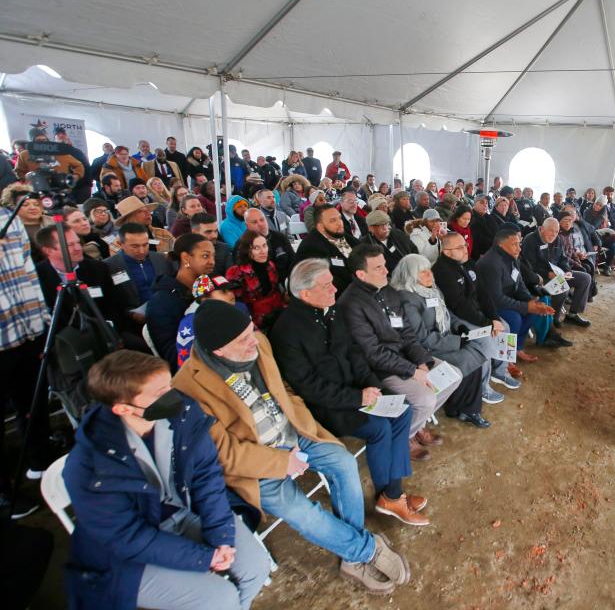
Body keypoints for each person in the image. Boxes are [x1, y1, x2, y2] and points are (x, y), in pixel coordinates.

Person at [172, 300, 411, 595]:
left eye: (251, 331)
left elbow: (282, 388)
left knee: (344, 463)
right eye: (243, 340)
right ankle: (364, 550)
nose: (253, 342)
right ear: (218, 351)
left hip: (294, 431)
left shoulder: (258, 341)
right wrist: (280, 463)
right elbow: (224, 453)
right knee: (303, 513)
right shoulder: (188, 386)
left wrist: (297, 419)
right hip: (256, 466)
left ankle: (351, 553)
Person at [62, 350, 271, 609]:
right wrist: (205, 557)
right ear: (124, 409)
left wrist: (222, 537)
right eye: (160, 393)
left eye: (169, 385)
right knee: (219, 597)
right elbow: (128, 538)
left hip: (185, 514)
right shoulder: (87, 469)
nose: (173, 396)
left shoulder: (182, 412)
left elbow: (206, 476)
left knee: (256, 567)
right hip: (127, 557)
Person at [270, 259, 429, 525]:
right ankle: (391, 495)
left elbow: (355, 355)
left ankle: (391, 494)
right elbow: (309, 387)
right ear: (306, 294)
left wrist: (374, 387)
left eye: (332, 282)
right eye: (327, 285)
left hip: (358, 392)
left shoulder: (332, 311)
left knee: (403, 410)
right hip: (327, 407)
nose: (335, 289)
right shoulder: (286, 330)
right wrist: (358, 397)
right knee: (380, 428)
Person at [338, 244, 462, 461]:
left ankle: (417, 425)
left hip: (406, 359)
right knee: (425, 399)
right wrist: (414, 371)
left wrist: (422, 361)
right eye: (378, 268)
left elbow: (406, 332)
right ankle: (405, 437)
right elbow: (373, 353)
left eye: (385, 265)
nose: (387, 270)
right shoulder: (351, 304)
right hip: (380, 369)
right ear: (361, 274)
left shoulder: (387, 291)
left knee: (453, 376)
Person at [392, 254, 493, 423]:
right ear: (410, 276)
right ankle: (462, 407)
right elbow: (420, 338)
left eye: (429, 271)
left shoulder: (431, 290)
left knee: (475, 350)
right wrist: (455, 342)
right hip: (424, 349)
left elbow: (446, 314)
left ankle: (464, 405)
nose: (429, 275)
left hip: (442, 337)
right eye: (422, 273)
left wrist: (458, 326)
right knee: (468, 355)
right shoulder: (407, 300)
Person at [0, 202, 50, 516]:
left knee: (32, 403)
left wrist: (42, 320)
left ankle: (39, 460)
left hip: (27, 329)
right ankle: (4, 493)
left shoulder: (8, 217)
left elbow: (28, 272)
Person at [434, 232, 521, 392]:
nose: (465, 249)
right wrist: (487, 323)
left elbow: (483, 293)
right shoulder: (442, 271)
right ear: (447, 252)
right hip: (457, 317)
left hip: (477, 312)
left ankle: (500, 371)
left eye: (465, 245)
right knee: (486, 337)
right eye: (459, 247)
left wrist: (494, 318)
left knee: (505, 327)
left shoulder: (468, 262)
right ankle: (482, 387)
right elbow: (459, 306)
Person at [476, 227, 555, 363]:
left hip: (507, 298)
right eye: (514, 244)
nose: (519, 249)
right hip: (488, 304)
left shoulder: (512, 257)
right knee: (514, 318)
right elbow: (496, 299)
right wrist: (526, 306)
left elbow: (519, 285)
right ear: (500, 245)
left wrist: (532, 302)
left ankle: (516, 348)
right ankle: (504, 359)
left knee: (534, 311)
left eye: (519, 244)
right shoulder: (491, 263)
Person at [147, 233, 215, 370]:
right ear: (185, 258)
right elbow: (172, 355)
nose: (212, 261)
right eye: (205, 256)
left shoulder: (209, 287)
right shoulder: (161, 302)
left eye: (213, 256)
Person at [521, 218, 592, 327]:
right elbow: (529, 266)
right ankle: (554, 317)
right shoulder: (530, 240)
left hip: (558, 273)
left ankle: (572, 314)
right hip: (539, 278)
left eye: (556, 231)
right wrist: (548, 274)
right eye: (551, 230)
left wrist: (567, 271)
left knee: (585, 278)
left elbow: (563, 258)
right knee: (561, 285)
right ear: (542, 229)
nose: (554, 234)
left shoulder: (557, 239)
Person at [104, 223, 175, 323]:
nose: (141, 251)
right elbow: (110, 302)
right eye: (135, 246)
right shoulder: (109, 266)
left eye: (145, 245)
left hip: (167, 314)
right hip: (132, 322)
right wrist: (130, 314)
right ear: (121, 244)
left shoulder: (161, 259)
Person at [175, 274, 246, 368]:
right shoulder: (190, 324)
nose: (231, 294)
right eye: (224, 291)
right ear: (204, 298)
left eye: (230, 289)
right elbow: (188, 364)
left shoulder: (240, 308)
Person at [226, 231, 288, 330]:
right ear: (246, 250)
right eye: (256, 248)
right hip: (254, 320)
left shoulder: (270, 265)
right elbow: (238, 306)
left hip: (277, 311)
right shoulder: (235, 272)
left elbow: (275, 292)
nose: (263, 251)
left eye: (264, 246)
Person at [295, 203, 359, 294]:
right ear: (320, 227)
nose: (340, 223)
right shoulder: (312, 247)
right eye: (333, 220)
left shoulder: (339, 233)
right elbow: (329, 282)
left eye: (340, 218)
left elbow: (362, 249)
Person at [1, 183, 54, 257]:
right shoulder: (8, 228)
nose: (33, 208)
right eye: (25, 205)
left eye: (36, 204)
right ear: (13, 207)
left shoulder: (55, 222)